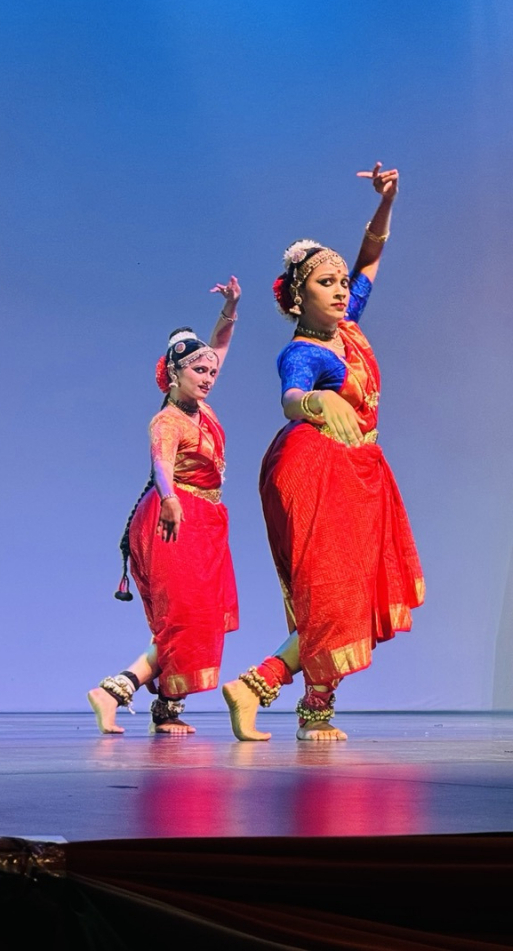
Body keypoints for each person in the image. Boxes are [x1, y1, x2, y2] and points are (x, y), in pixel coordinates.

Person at [222, 164, 425, 742]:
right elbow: (290, 397)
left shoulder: (347, 324)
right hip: (316, 466)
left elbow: (369, 258)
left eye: (341, 283)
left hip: (358, 469)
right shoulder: (305, 350)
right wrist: (314, 404)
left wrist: (388, 201)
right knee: (334, 592)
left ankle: (278, 694)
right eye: (325, 284)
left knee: (349, 595)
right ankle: (298, 703)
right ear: (297, 298)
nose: (340, 290)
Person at [87, 278, 242, 735]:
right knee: (185, 618)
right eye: (200, 372)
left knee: (201, 617)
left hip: (206, 520)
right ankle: (114, 690)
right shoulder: (168, 420)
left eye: (212, 373)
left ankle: (167, 710)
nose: (209, 378)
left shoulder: (203, 407)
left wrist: (231, 308)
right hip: (173, 519)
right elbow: (160, 465)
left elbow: (217, 347)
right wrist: (172, 499)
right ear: (176, 373)